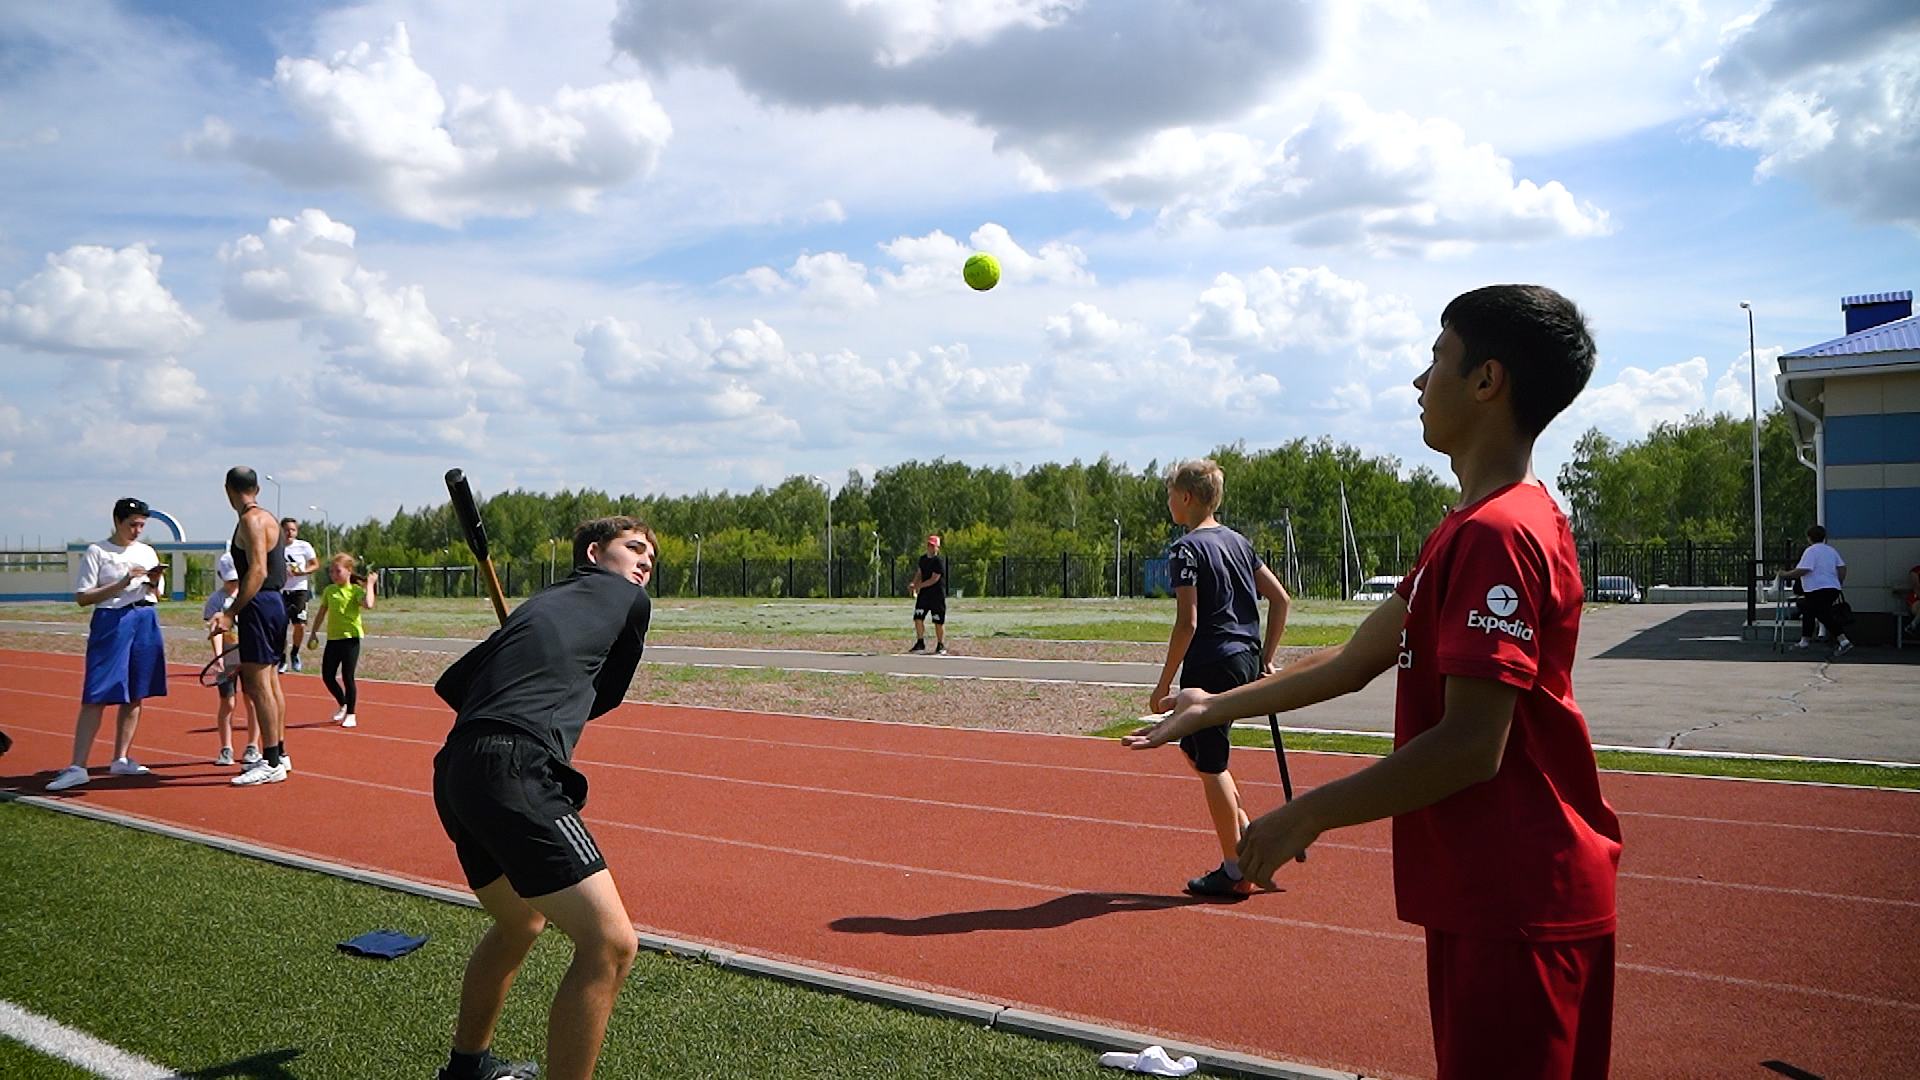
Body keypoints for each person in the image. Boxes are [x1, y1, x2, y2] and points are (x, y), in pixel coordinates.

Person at [1127, 285, 1619, 1080]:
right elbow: (1356, 660)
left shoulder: (1501, 533)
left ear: (1487, 380)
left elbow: (1470, 747)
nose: (1420, 382)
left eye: (1436, 359)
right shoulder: (1465, 527)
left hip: (1520, 895)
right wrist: (1215, 705)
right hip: (1487, 889)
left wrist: (1305, 816)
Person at [430, 516, 656, 1080]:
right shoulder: (627, 600)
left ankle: (466, 1068)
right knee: (611, 945)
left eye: (651, 557)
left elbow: (453, 686)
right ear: (594, 552)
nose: (645, 562)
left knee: (520, 923)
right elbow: (605, 695)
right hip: (515, 767)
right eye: (634, 548)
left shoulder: (538, 606)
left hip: (457, 769)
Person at [1149, 459, 1292, 898]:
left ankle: (1236, 869)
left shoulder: (1186, 550)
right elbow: (1281, 599)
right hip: (1243, 657)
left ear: (1186, 498)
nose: (1169, 501)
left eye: (1172, 493)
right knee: (1195, 751)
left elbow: (1187, 623)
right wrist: (1264, 657)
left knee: (1211, 764)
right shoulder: (1238, 542)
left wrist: (1163, 684)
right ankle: (1245, 834)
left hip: (1211, 663)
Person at [47, 497, 170, 791]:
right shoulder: (98, 551)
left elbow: (158, 594)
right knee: (97, 693)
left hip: (144, 617)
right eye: (132, 524)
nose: (137, 530)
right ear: (117, 521)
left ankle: (121, 757)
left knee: (136, 691)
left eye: (141, 525)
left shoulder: (147, 551)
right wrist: (121, 583)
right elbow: (83, 597)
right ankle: (78, 765)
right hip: (111, 620)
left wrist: (153, 581)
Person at [210, 467, 292, 786]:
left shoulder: (250, 520)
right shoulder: (269, 518)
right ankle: (279, 754)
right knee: (270, 681)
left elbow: (256, 571)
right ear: (257, 488)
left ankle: (271, 760)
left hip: (259, 603)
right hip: (274, 602)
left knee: (258, 684)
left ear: (228, 489)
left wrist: (230, 612)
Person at [201, 549, 257, 766]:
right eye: (230, 579)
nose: (234, 583)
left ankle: (252, 746)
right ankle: (226, 748)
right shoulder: (216, 600)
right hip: (228, 655)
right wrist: (218, 657)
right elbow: (215, 631)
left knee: (252, 700)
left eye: (237, 578)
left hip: (250, 655)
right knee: (228, 702)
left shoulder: (249, 594)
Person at [310, 553, 376, 728]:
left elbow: (368, 604)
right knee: (327, 676)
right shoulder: (329, 591)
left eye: (337, 571)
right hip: (333, 639)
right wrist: (314, 632)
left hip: (350, 640)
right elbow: (321, 613)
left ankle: (351, 714)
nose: (333, 575)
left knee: (348, 677)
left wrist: (370, 584)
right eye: (331, 572)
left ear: (348, 571)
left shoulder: (354, 591)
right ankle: (343, 703)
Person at [1778, 525, 1853, 655]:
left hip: (1816, 588)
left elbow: (1804, 569)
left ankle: (1843, 641)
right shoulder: (1831, 551)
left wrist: (1787, 574)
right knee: (1809, 610)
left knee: (1822, 614)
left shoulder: (1811, 551)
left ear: (1809, 538)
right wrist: (1838, 582)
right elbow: (1842, 568)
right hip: (1832, 587)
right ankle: (1805, 641)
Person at [279, 518, 320, 673]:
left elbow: (315, 564)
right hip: (281, 591)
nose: (290, 533)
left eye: (293, 530)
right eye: (287, 530)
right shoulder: (276, 547)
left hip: (299, 590)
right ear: (281, 531)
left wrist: (302, 572)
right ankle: (281, 658)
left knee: (300, 624)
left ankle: (295, 653)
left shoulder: (303, 546)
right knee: (280, 626)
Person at [907, 534, 947, 654]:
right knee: (918, 617)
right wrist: (914, 584)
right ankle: (920, 642)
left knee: (938, 621)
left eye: (932, 545)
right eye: (929, 545)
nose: (930, 547)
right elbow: (920, 573)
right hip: (924, 595)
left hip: (936, 595)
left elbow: (934, 579)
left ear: (937, 547)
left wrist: (919, 586)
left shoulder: (938, 562)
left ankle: (940, 644)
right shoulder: (923, 559)